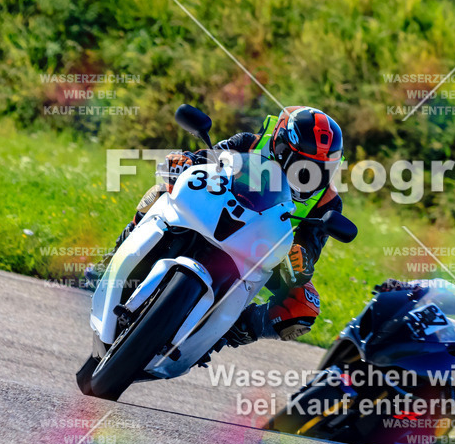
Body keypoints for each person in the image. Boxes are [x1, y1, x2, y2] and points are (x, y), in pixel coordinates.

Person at [88, 106, 344, 347]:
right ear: (279, 145)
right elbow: (208, 160)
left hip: (263, 247)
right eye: (299, 162)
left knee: (304, 305)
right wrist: (185, 161)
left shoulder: (328, 202)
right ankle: (109, 264)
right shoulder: (251, 143)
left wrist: (302, 257)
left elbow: (311, 246)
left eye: (319, 168)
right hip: (216, 212)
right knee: (159, 192)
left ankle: (226, 333)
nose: (307, 174)